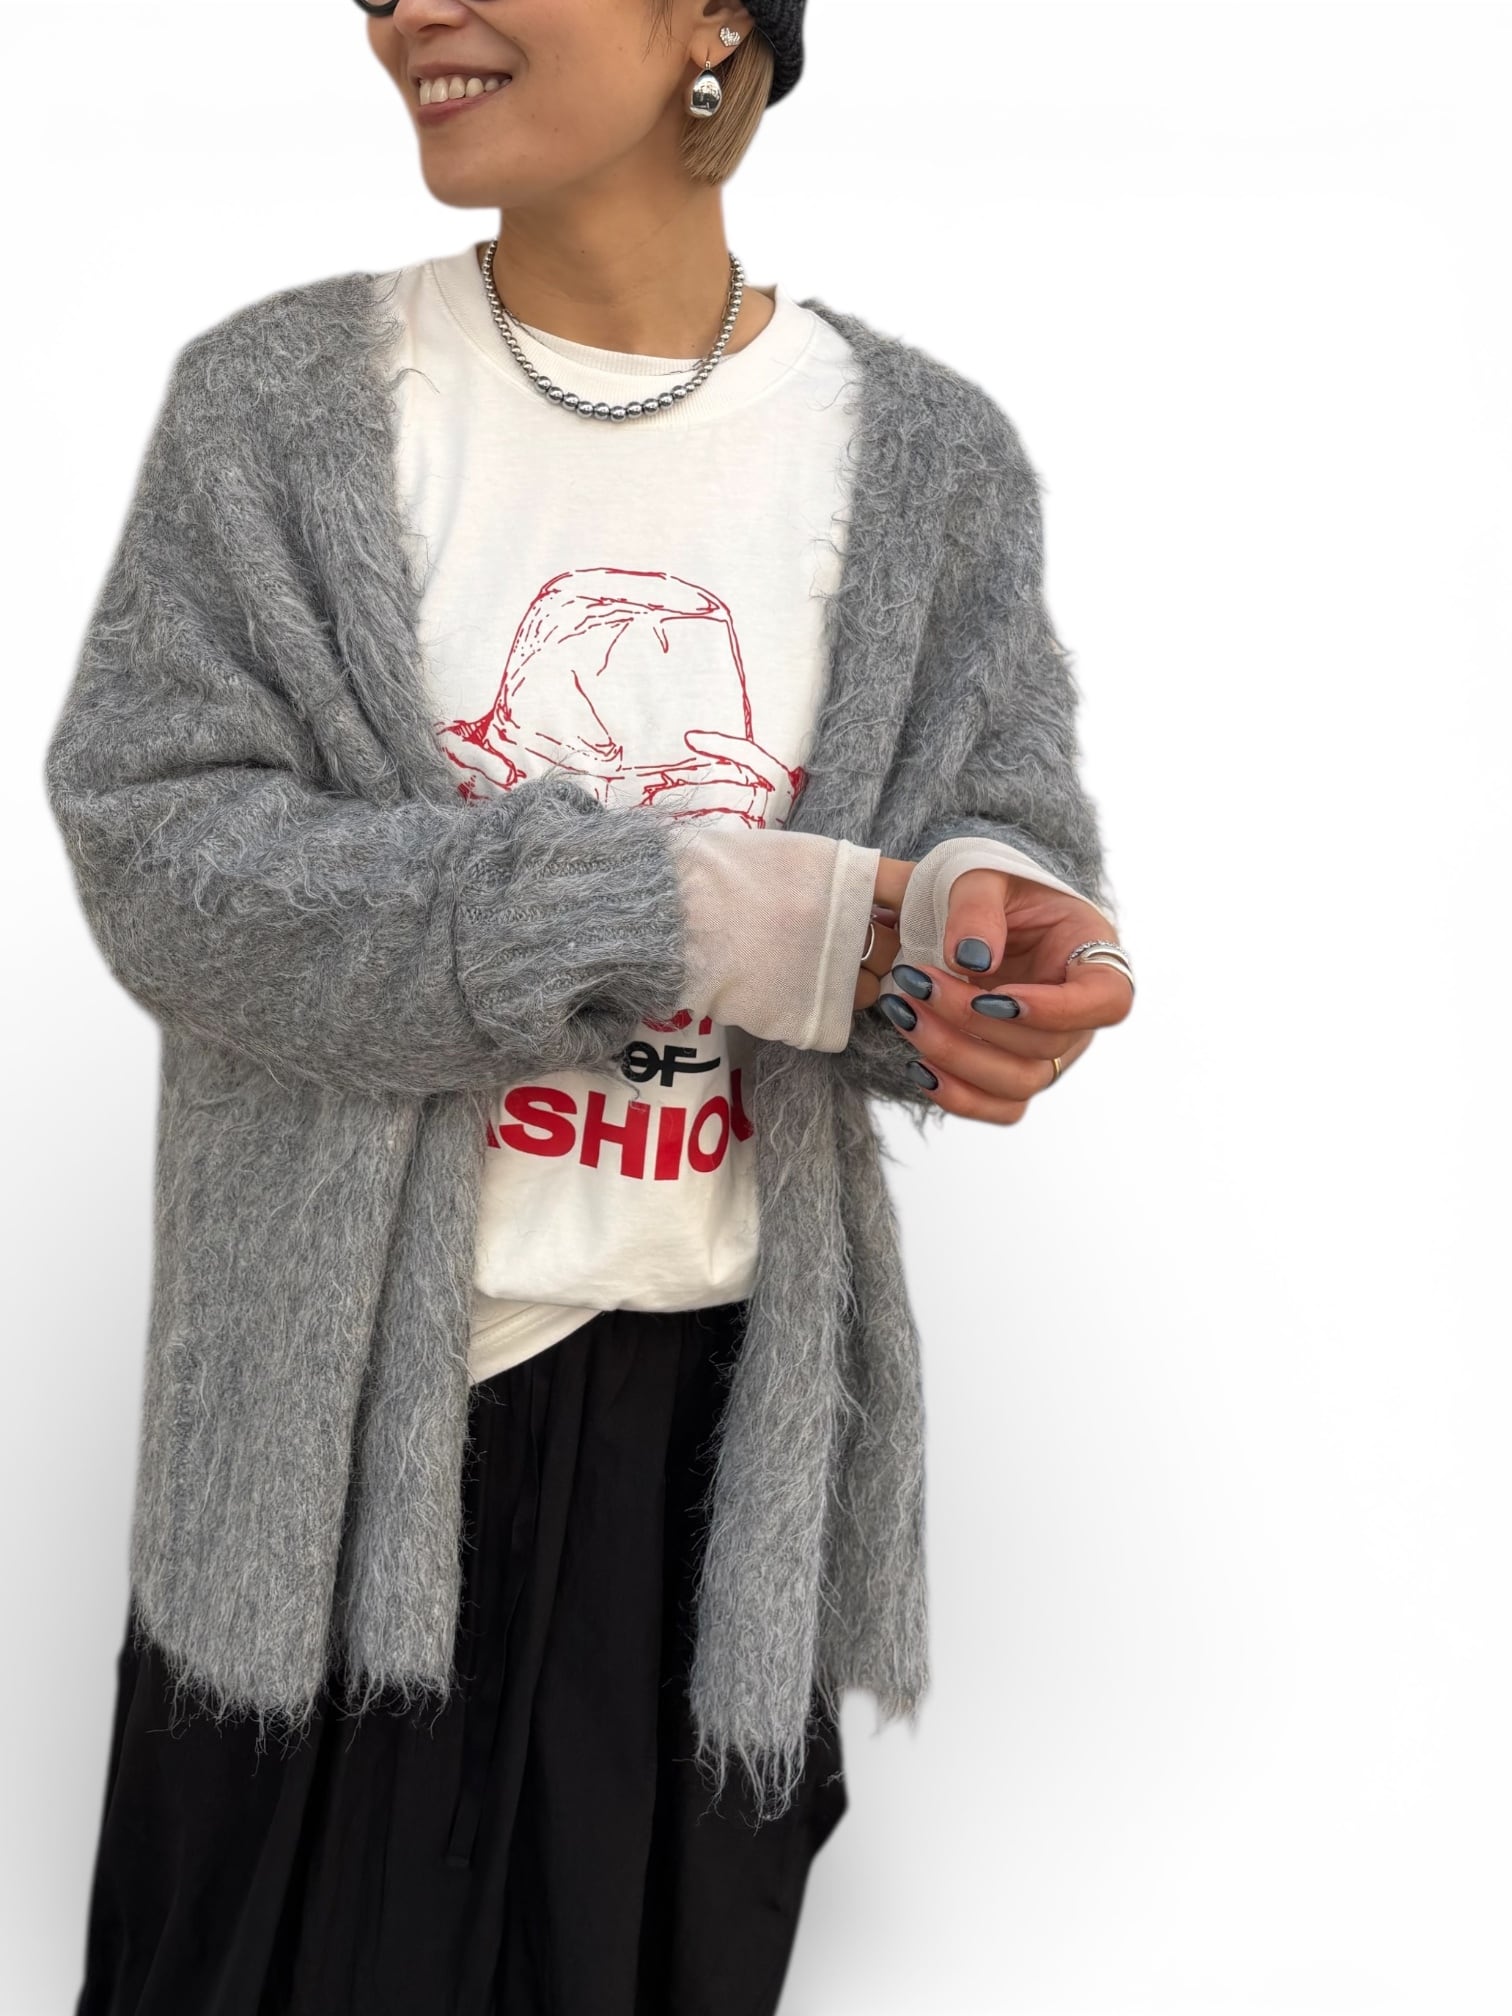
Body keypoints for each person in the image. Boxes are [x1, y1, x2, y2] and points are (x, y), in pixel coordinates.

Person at [45, 2, 1136, 2011]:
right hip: (322, 1466)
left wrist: (993, 938)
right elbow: (162, 850)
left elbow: (981, 831)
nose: (404, 10)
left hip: (712, 1466)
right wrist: (691, 904)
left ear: (714, 16)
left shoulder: (926, 459)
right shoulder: (281, 406)